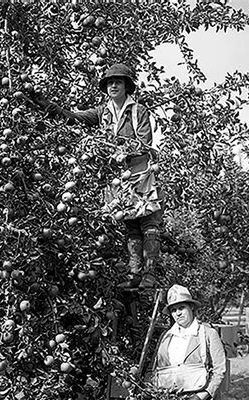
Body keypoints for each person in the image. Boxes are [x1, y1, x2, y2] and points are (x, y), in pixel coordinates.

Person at [32, 63, 164, 291]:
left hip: (140, 174)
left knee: (148, 223)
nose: (113, 85)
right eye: (110, 82)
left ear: (127, 86)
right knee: (130, 225)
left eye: (118, 82)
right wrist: (43, 103)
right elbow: (72, 117)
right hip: (118, 179)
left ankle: (149, 274)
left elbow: (144, 142)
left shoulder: (138, 111)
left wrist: (121, 152)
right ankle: (134, 274)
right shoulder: (102, 113)